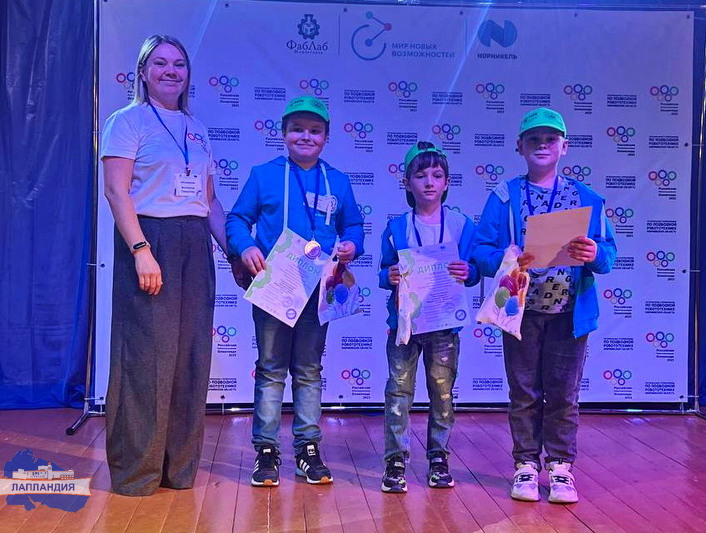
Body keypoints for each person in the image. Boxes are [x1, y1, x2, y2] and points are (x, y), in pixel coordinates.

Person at [101, 34, 229, 496]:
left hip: (194, 242)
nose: (170, 71)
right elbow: (116, 191)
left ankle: (178, 469)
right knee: (146, 357)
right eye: (160, 63)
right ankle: (137, 472)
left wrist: (233, 251)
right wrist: (140, 250)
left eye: (178, 64)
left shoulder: (197, 127)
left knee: (191, 357)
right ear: (142, 71)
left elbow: (209, 202)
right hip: (150, 238)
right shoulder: (127, 121)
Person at [472, 108, 616, 504]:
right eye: (533, 139)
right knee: (524, 391)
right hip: (519, 312)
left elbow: (608, 254)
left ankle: (561, 467)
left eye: (550, 139)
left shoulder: (588, 199)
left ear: (564, 147)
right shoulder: (504, 197)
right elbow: (480, 252)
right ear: (519, 146)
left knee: (564, 393)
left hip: (569, 313)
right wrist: (506, 258)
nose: (542, 145)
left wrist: (593, 254)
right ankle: (525, 464)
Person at [226, 96, 364, 487]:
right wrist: (245, 247)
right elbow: (236, 219)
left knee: (308, 370)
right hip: (275, 285)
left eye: (315, 130)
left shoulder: (338, 181)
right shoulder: (263, 175)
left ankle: (307, 448)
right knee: (271, 369)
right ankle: (266, 451)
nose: (306, 136)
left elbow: (354, 226)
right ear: (283, 133)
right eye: (298, 129)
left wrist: (352, 245)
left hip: (318, 289)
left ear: (326, 137)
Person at [378, 142, 480, 493]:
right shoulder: (396, 226)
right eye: (420, 176)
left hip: (444, 324)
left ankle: (439, 457)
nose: (429, 182)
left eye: (437, 175)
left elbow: (475, 268)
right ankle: (395, 459)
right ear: (407, 182)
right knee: (398, 392)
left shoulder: (462, 225)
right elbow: (383, 271)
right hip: (405, 325)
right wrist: (390, 275)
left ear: (447, 182)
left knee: (442, 392)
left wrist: (470, 271)